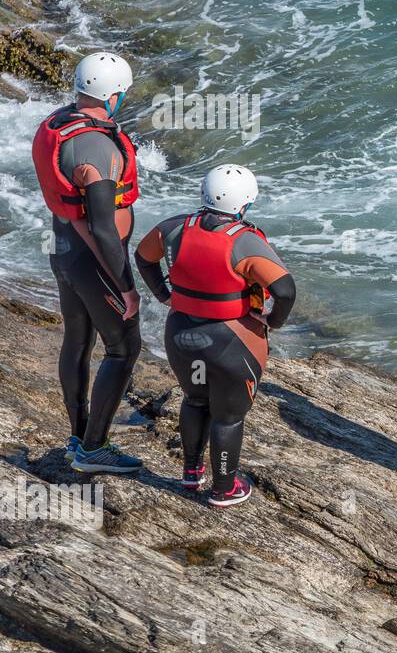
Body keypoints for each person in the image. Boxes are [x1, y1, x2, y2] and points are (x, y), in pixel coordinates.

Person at [134, 165, 296, 507]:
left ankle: (192, 473)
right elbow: (285, 289)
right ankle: (224, 489)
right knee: (228, 416)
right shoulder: (245, 240)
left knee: (195, 400)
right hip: (230, 343)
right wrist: (272, 321)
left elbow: (143, 258)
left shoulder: (173, 227)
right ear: (245, 202)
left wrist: (164, 295)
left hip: (180, 334)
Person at [32, 52, 144, 474]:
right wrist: (127, 287)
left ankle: (78, 435)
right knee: (124, 347)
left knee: (78, 341)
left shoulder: (61, 122)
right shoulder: (97, 148)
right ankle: (93, 449)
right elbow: (102, 229)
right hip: (92, 261)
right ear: (112, 97)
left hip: (62, 249)